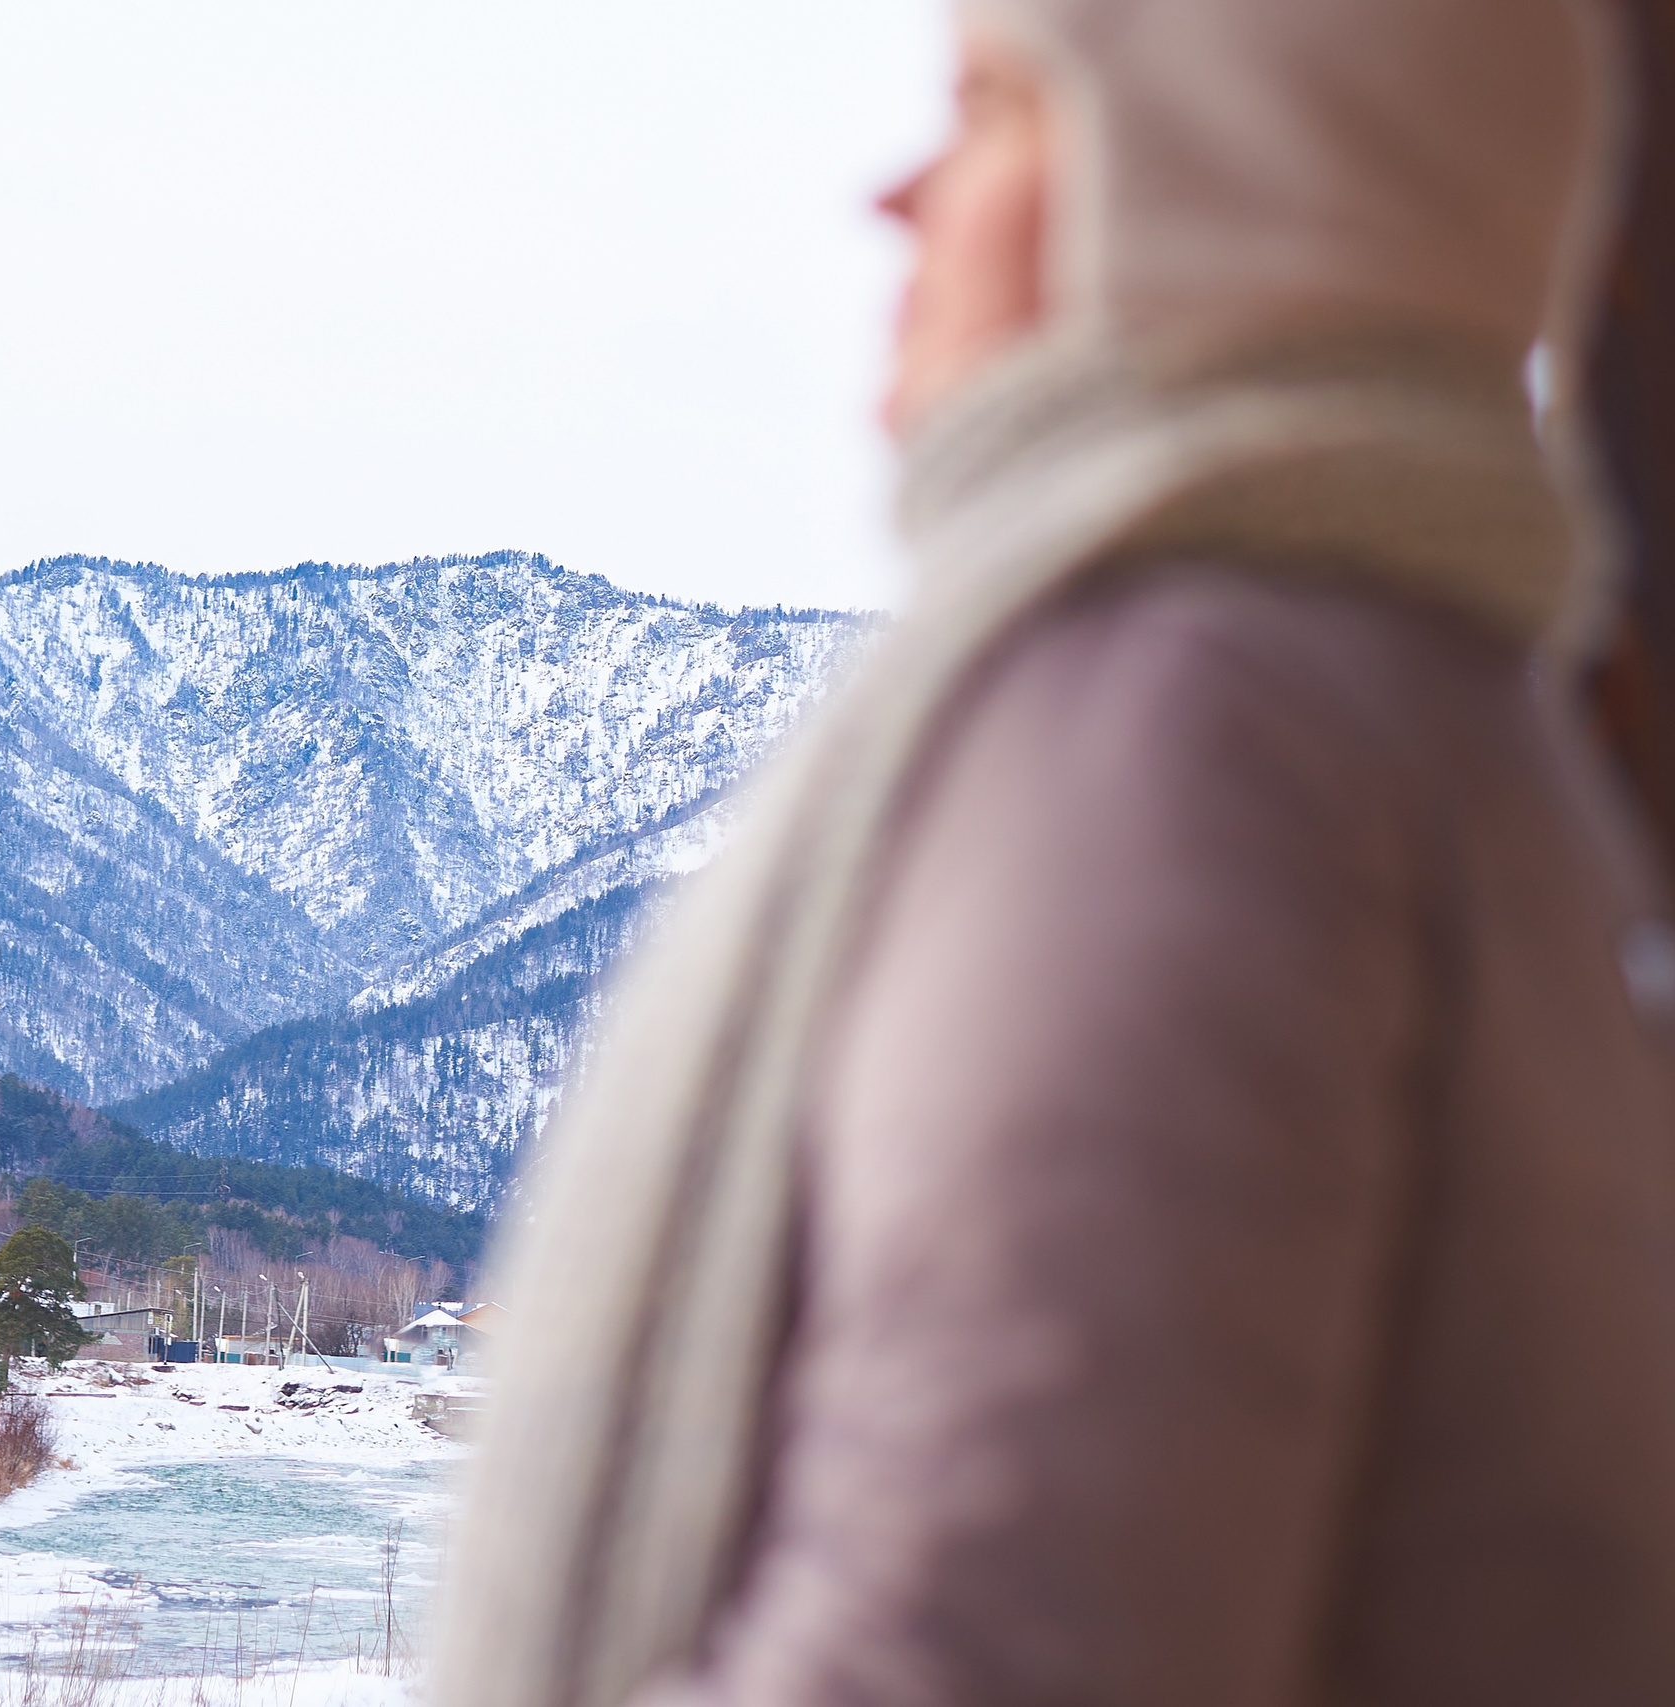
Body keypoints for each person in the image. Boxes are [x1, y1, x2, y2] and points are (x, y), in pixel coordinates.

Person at [432, 2, 1675, 1704]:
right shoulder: (1454, 717)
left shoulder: (1192, 713)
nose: (901, 193)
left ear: (1229, 179)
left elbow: (982, 1652)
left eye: (994, 105)